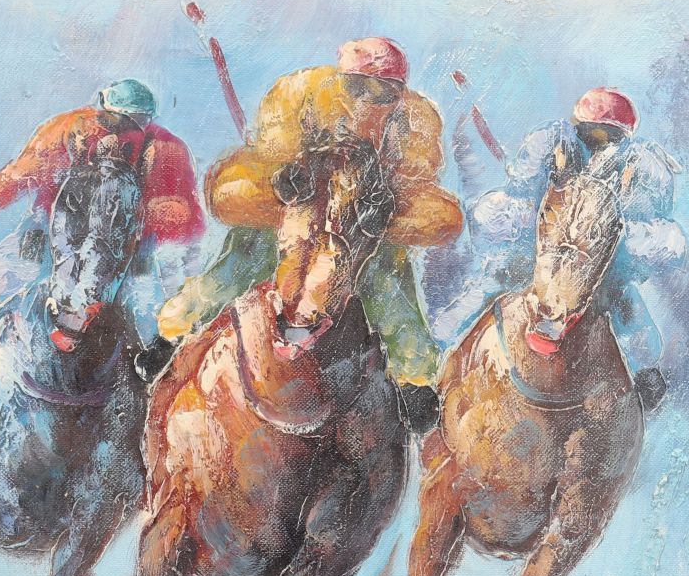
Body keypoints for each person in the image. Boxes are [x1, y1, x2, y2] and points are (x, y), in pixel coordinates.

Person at [147, 37, 462, 431]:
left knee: (392, 288)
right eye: (359, 88)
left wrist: (388, 207)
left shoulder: (413, 123)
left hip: (363, 228)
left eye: (383, 93)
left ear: (399, 93)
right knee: (235, 268)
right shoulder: (300, 97)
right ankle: (171, 336)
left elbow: (423, 189)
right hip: (289, 217)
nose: (369, 100)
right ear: (343, 81)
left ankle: (415, 380)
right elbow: (257, 164)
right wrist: (280, 181)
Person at [437, 87, 686, 413]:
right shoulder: (551, 146)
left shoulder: (637, 168)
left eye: (607, 135)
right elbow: (519, 194)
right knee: (494, 282)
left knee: (625, 305)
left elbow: (653, 228)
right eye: (593, 132)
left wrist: (617, 239)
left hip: (601, 265)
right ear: (578, 127)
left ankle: (643, 372)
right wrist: (534, 223)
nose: (599, 141)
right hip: (537, 254)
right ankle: (440, 358)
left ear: (622, 137)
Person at [0, 79, 204, 345]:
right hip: (52, 222)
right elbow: (20, 174)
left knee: (143, 293)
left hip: (128, 236)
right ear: (102, 110)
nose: (123, 131)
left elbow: (181, 210)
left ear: (146, 120)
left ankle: (162, 347)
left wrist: (144, 220)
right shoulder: (68, 129)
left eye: (134, 122)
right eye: (115, 120)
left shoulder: (166, 148)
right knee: (17, 265)